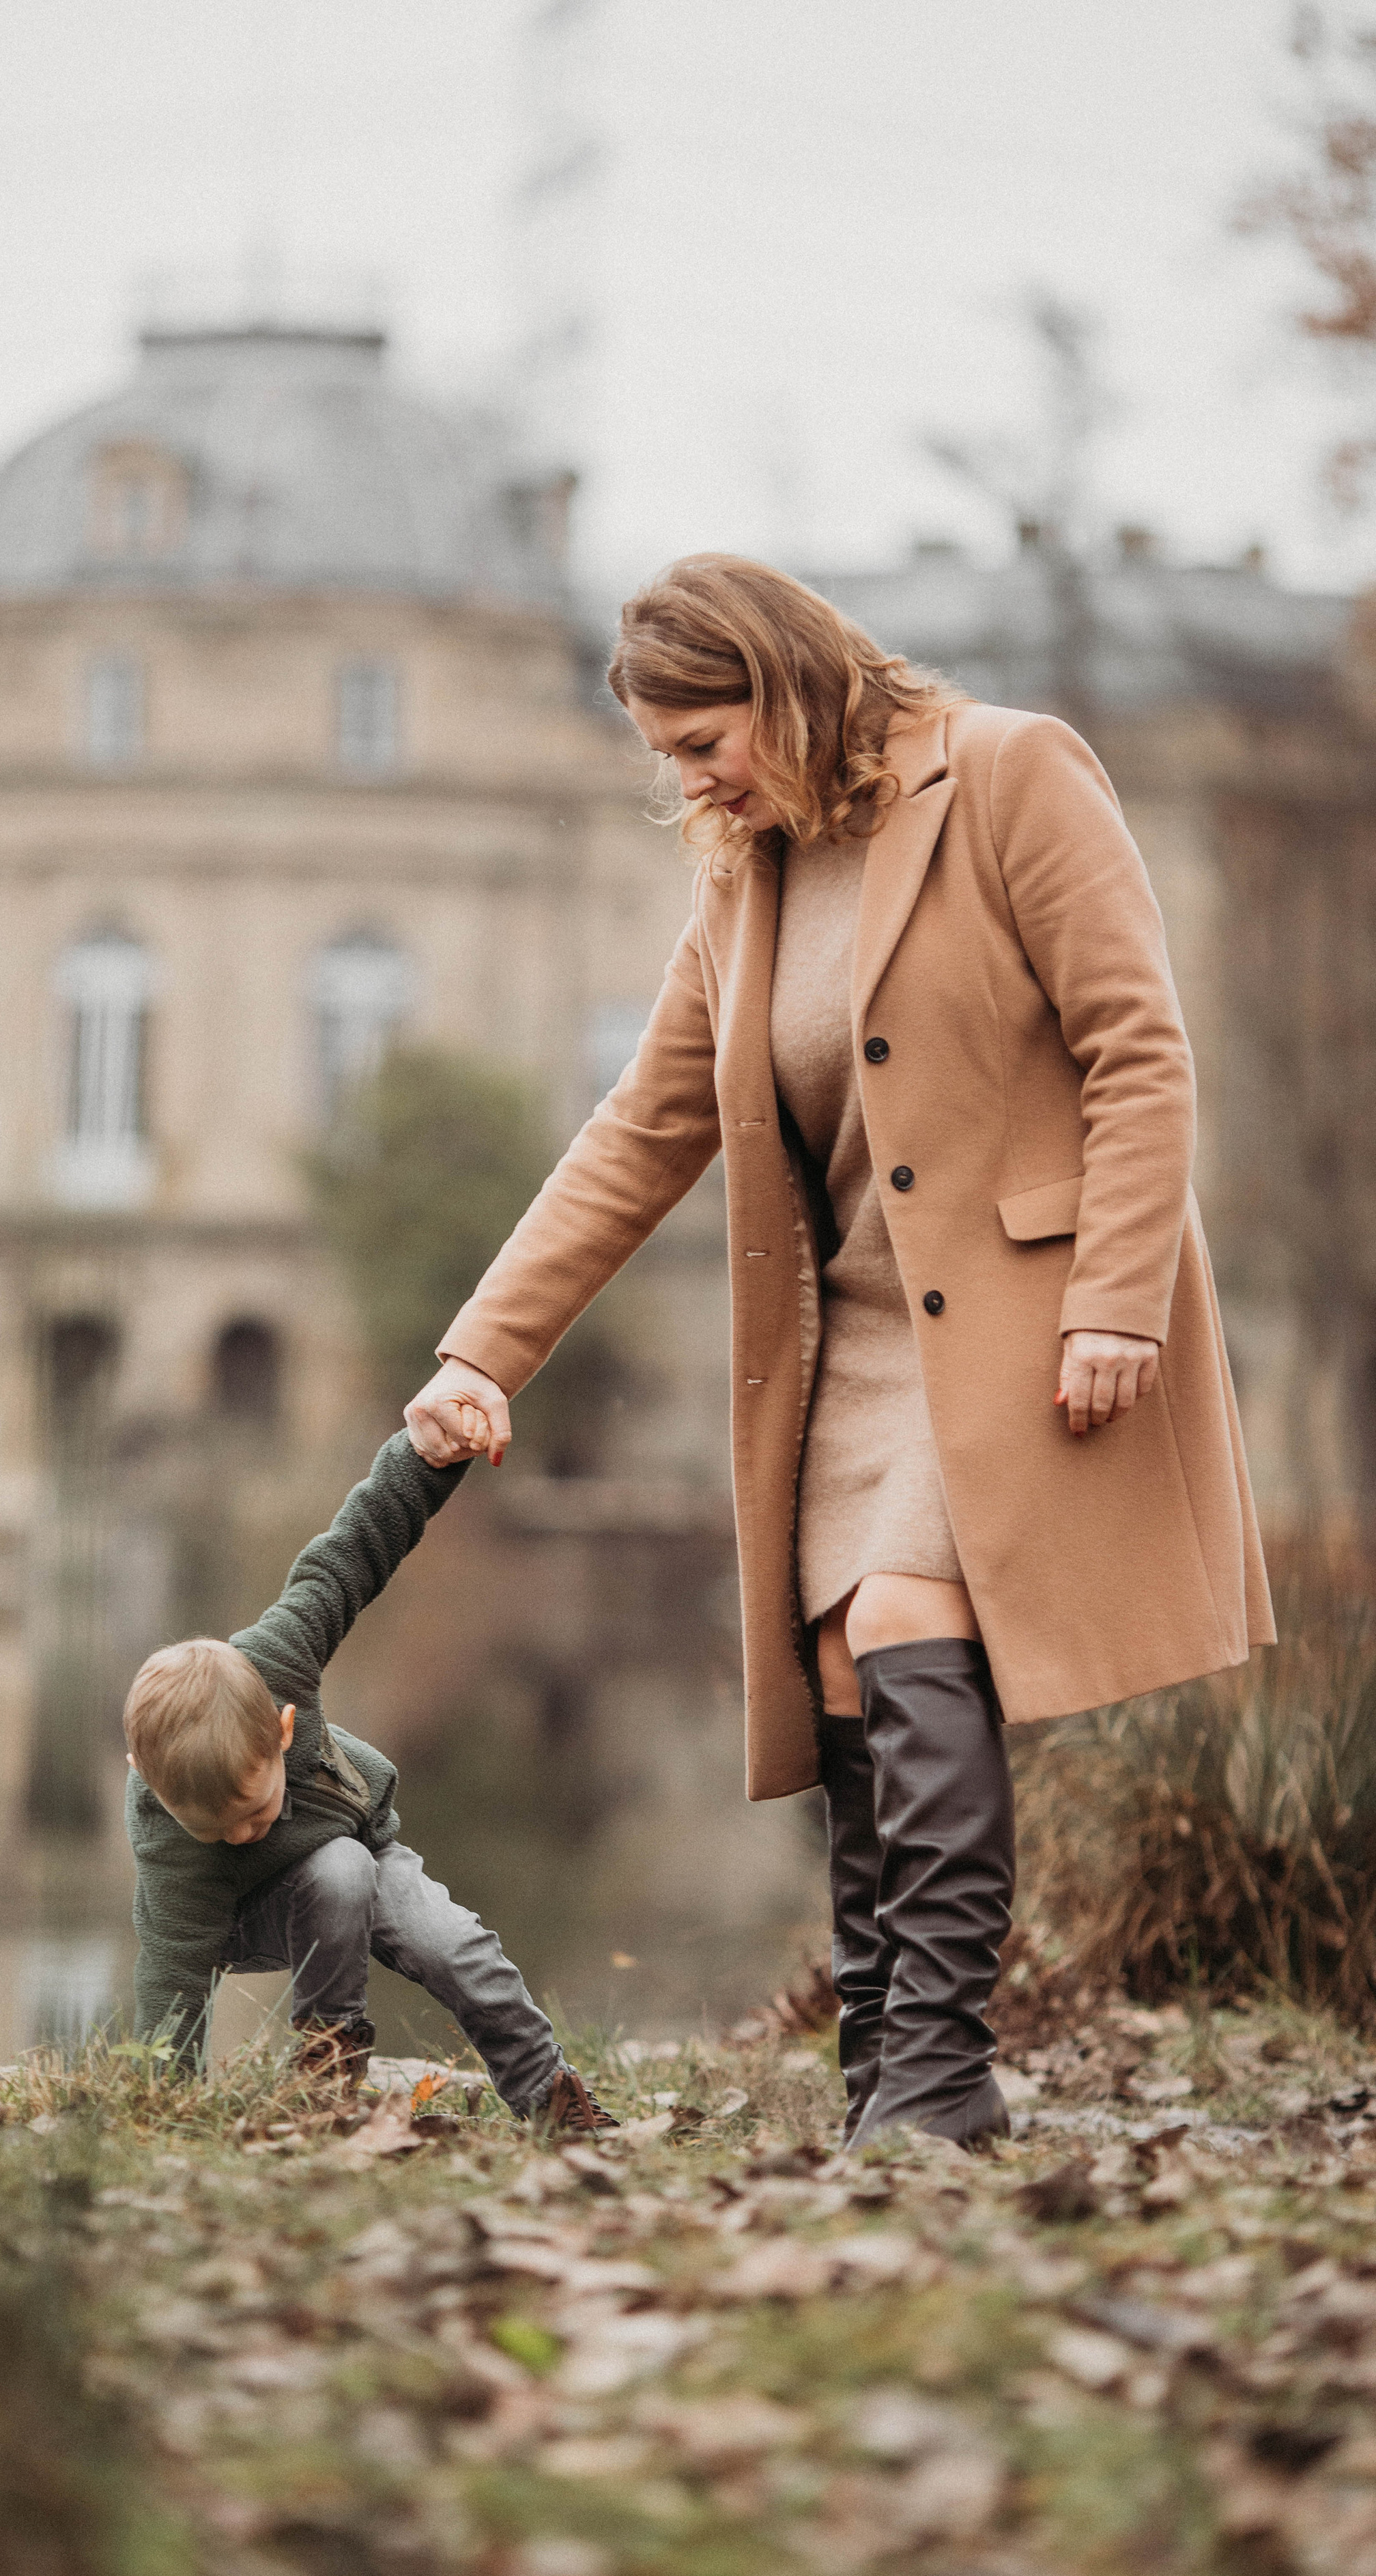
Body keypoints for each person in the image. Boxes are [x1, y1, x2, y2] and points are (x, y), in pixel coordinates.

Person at [405, 552, 1272, 2152]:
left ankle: (937, 2075)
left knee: (899, 1622)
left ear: (784, 684)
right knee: (853, 1683)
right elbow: (642, 1128)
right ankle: (882, 2057)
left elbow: (1136, 1047)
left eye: (697, 739)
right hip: (847, 1347)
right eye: (664, 754)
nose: (684, 780)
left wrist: (1112, 1295)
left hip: (1017, 1313)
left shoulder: (1009, 771)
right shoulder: (740, 872)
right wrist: (485, 1350)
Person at [123, 1425, 614, 2132]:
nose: (236, 1835)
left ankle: (553, 2104)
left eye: (253, 1812)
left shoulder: (282, 1656)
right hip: (244, 1917)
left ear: (284, 1729)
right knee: (337, 1867)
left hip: (355, 1851)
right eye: (212, 1828)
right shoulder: (172, 1843)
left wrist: (429, 1451)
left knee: (455, 1946)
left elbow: (352, 1554)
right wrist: (159, 2113)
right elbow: (171, 1982)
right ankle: (326, 2078)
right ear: (146, 1778)